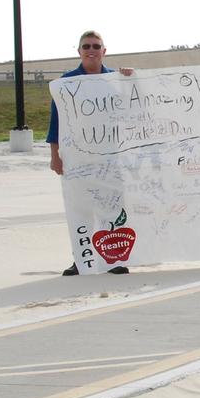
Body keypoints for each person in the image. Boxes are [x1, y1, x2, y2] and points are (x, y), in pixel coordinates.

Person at [49, 31, 134, 275]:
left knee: (113, 208)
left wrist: (130, 79)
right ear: (79, 51)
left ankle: (114, 259)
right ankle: (82, 259)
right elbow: (56, 122)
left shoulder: (115, 79)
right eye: (86, 46)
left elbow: (135, 109)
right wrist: (55, 155)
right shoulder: (67, 83)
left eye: (96, 46)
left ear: (104, 51)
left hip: (110, 158)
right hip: (78, 160)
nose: (91, 50)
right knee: (80, 208)